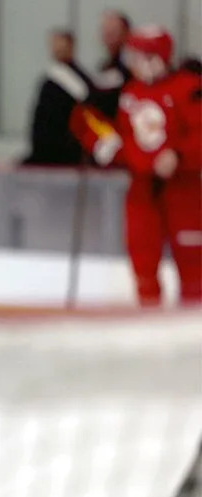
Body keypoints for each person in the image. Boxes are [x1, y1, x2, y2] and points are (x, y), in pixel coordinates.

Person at [71, 26, 201, 306]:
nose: (133, 62)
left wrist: (179, 156)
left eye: (139, 55)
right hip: (142, 190)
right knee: (142, 259)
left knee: (194, 265)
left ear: (158, 57)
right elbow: (113, 132)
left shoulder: (190, 88)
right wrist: (106, 146)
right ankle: (148, 318)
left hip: (184, 190)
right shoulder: (129, 92)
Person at [22, 29, 96, 166]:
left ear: (71, 46)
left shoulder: (78, 79)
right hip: (44, 148)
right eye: (54, 44)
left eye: (61, 44)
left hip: (64, 150)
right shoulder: (51, 78)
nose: (56, 48)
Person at [91, 9, 132, 119]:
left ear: (126, 33)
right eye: (105, 31)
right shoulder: (103, 66)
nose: (108, 36)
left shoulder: (134, 66)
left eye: (113, 31)